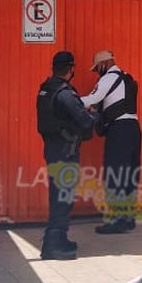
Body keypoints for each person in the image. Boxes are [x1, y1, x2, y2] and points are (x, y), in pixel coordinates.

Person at [35, 51, 98, 260]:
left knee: (59, 195)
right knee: (63, 197)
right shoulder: (65, 93)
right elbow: (85, 121)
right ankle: (53, 246)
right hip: (65, 151)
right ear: (71, 69)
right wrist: (94, 115)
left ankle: (59, 238)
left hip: (53, 149)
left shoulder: (45, 89)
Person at [81, 50, 141, 234]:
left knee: (115, 175)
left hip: (119, 131)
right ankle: (128, 218)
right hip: (134, 129)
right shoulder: (127, 78)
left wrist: (72, 100)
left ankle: (117, 220)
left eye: (96, 68)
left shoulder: (108, 78)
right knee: (129, 175)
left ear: (104, 63)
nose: (96, 72)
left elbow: (92, 99)